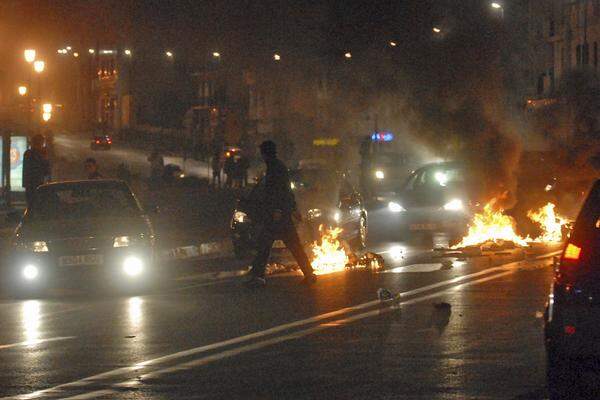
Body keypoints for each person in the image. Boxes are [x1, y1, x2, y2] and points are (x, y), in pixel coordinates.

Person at [246, 140, 316, 287]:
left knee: (264, 244)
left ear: (265, 153)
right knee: (292, 245)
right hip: (281, 214)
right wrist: (292, 209)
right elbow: (286, 191)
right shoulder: (277, 166)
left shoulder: (275, 168)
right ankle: (309, 273)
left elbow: (279, 191)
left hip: (277, 215)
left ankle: (258, 277)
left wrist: (278, 210)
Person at [23, 134, 51, 209]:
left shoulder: (29, 153)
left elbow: (46, 170)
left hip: (33, 185)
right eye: (41, 143)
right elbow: (45, 170)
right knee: (35, 206)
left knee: (33, 206)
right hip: (35, 184)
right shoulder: (31, 154)